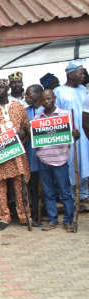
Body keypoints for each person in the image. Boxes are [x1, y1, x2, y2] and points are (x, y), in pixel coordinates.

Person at [0, 79, 31, 230]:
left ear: (7, 88)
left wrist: (23, 131)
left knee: (20, 184)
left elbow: (26, 126)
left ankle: (24, 215)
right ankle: (4, 217)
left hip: (17, 152)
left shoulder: (18, 106)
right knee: (0, 186)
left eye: (2, 87)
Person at [36, 89, 78, 232]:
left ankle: (68, 220)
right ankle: (52, 220)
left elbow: (73, 136)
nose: (46, 102)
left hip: (61, 159)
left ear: (54, 98)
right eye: (43, 100)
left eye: (49, 98)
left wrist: (75, 135)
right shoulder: (37, 119)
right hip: (44, 160)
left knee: (65, 192)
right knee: (48, 192)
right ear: (40, 101)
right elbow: (36, 141)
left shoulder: (65, 115)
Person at [54, 60, 89, 210]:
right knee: (70, 164)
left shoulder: (83, 89)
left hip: (84, 133)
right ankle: (69, 195)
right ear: (70, 74)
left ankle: (84, 194)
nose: (83, 75)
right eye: (80, 72)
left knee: (85, 163)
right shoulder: (59, 91)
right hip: (68, 135)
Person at [24, 85, 45, 226]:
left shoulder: (46, 110)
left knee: (46, 188)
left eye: (29, 94)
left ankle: (48, 215)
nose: (26, 98)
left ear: (38, 94)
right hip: (31, 156)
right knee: (32, 188)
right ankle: (35, 215)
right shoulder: (25, 112)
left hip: (46, 157)